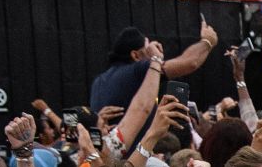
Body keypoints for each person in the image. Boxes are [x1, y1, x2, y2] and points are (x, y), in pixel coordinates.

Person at [89, 24, 219, 114]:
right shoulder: (138, 70)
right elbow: (190, 63)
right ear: (135, 55)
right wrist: (207, 41)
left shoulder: (99, 81)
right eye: (148, 48)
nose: (152, 50)